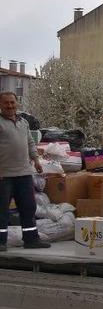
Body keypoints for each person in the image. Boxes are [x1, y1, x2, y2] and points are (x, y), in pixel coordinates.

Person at [0, 91, 50, 251]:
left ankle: (31, 239)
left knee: (28, 208)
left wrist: (36, 161)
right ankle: (1, 242)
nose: (9, 105)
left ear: (17, 103)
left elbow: (30, 142)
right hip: (4, 176)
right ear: (1, 105)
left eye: (12, 102)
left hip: (24, 174)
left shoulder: (24, 123)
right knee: (2, 210)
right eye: (6, 103)